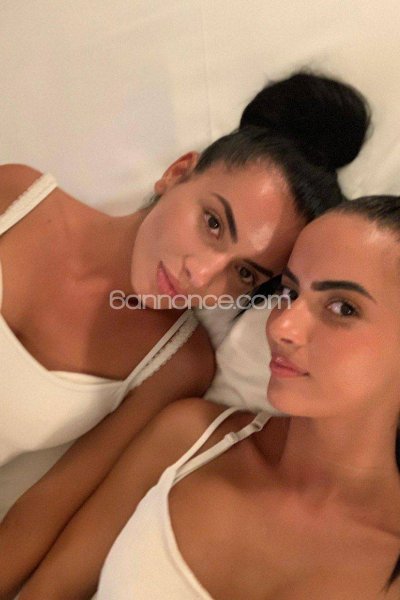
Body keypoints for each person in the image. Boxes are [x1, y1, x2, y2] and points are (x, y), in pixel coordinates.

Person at [3, 194, 399, 599]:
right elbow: (47, 591)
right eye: (289, 293)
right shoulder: (188, 440)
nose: (282, 327)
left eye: (342, 308)